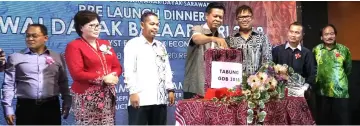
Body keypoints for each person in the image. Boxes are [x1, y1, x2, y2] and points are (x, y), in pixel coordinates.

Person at [1, 24, 71, 125]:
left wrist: (67, 101)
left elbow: (63, 82)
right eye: (28, 36)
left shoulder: (57, 57)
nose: (30, 39)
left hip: (51, 106)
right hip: (26, 107)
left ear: (45, 38)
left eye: (34, 36)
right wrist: (7, 108)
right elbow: (8, 85)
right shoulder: (15, 57)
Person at [64, 10, 122, 125]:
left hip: (107, 95)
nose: (96, 28)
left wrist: (114, 75)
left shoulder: (105, 43)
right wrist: (103, 78)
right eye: (91, 25)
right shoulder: (74, 46)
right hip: (86, 98)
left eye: (97, 25)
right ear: (81, 27)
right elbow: (77, 74)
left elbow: (117, 66)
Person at [124, 11, 175, 125]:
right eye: (152, 24)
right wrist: (133, 92)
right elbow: (129, 70)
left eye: (157, 24)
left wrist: (170, 89)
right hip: (141, 98)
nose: (155, 27)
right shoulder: (133, 44)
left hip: (160, 99)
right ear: (142, 25)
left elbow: (166, 68)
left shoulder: (160, 46)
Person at [272, 22, 317, 121]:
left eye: (297, 32)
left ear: (302, 35)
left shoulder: (306, 53)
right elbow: (270, 70)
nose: (293, 35)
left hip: (299, 95)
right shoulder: (277, 50)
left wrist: (304, 88)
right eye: (291, 31)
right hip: (280, 95)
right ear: (288, 32)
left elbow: (312, 73)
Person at [183, 2, 228, 99]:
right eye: (215, 16)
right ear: (206, 16)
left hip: (213, 90)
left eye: (220, 17)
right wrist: (213, 39)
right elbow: (196, 39)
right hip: (195, 88)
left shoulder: (221, 37)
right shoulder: (197, 29)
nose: (218, 19)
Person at [313, 24, 352, 125]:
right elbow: (313, 68)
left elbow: (348, 69)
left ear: (335, 35)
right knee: (323, 121)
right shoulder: (316, 50)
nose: (329, 36)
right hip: (322, 91)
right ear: (321, 37)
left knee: (342, 121)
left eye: (332, 33)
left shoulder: (344, 50)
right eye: (326, 34)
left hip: (340, 92)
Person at [226, 5, 272, 76]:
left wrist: (259, 79)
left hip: (258, 83)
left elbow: (267, 61)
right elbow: (226, 63)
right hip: (236, 82)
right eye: (241, 17)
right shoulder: (230, 39)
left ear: (252, 18)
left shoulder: (262, 37)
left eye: (247, 16)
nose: (244, 20)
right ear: (236, 19)